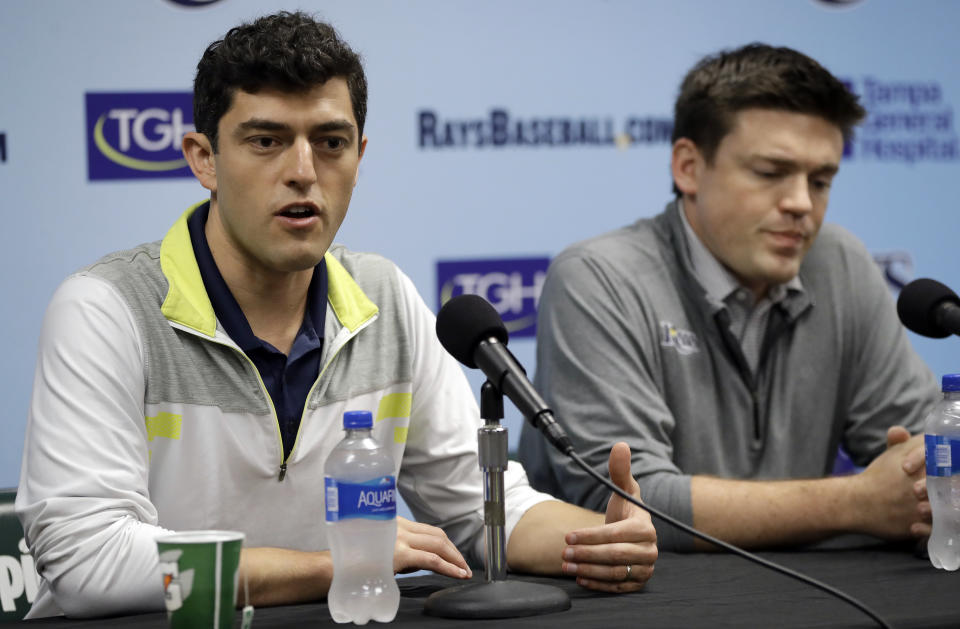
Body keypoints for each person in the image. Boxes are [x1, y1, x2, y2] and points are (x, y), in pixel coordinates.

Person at [16, 11, 656, 618]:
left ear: (359, 155)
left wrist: (596, 538)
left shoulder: (385, 297)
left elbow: (480, 510)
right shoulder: (106, 309)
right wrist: (332, 565)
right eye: (266, 141)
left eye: (330, 143)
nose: (303, 172)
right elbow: (85, 558)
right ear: (203, 158)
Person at [518, 43, 941, 552]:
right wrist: (856, 502)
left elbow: (925, 450)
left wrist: (927, 478)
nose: (802, 204)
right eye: (770, 173)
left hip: (818, 597)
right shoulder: (600, 278)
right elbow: (627, 501)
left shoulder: (840, 262)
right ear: (689, 167)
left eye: (821, 180)